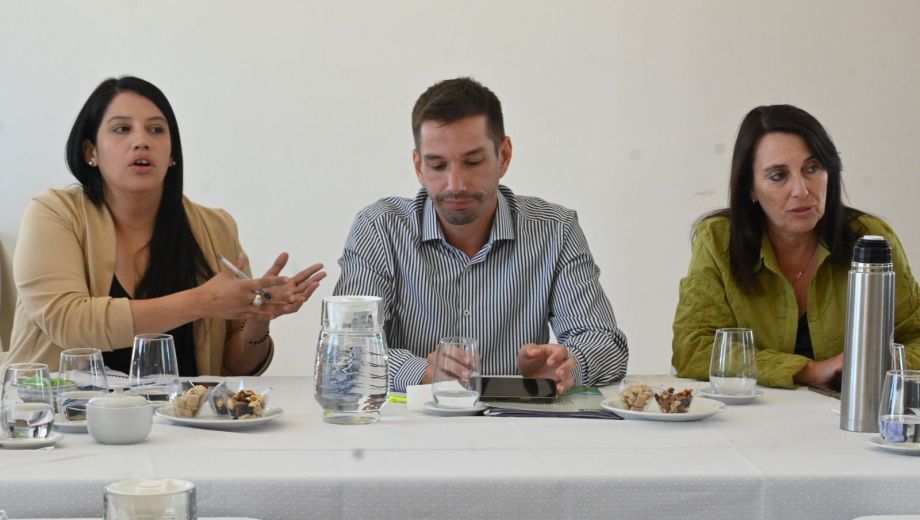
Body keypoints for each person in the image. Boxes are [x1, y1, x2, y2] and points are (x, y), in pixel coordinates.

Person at [5, 76, 325, 375]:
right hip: (61, 421)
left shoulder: (216, 227)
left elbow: (234, 369)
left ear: (172, 154)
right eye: (121, 129)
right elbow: (69, 321)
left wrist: (258, 321)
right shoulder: (54, 213)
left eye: (156, 130)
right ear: (91, 152)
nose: (141, 141)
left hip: (183, 428)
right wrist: (203, 301)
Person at [334, 77, 628, 393]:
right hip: (409, 432)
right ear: (419, 166)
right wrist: (420, 371)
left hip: (524, 431)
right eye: (437, 165)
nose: (455, 183)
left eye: (473, 162)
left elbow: (606, 345)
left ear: (504, 156)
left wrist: (568, 365)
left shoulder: (555, 230)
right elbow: (343, 354)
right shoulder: (380, 229)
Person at [672, 104, 920, 389]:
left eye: (812, 168)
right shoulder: (717, 240)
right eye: (778, 176)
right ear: (750, 188)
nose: (801, 190)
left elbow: (916, 336)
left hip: (853, 420)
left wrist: (876, 365)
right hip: (749, 423)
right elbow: (693, 350)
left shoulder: (870, 239)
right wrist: (808, 371)